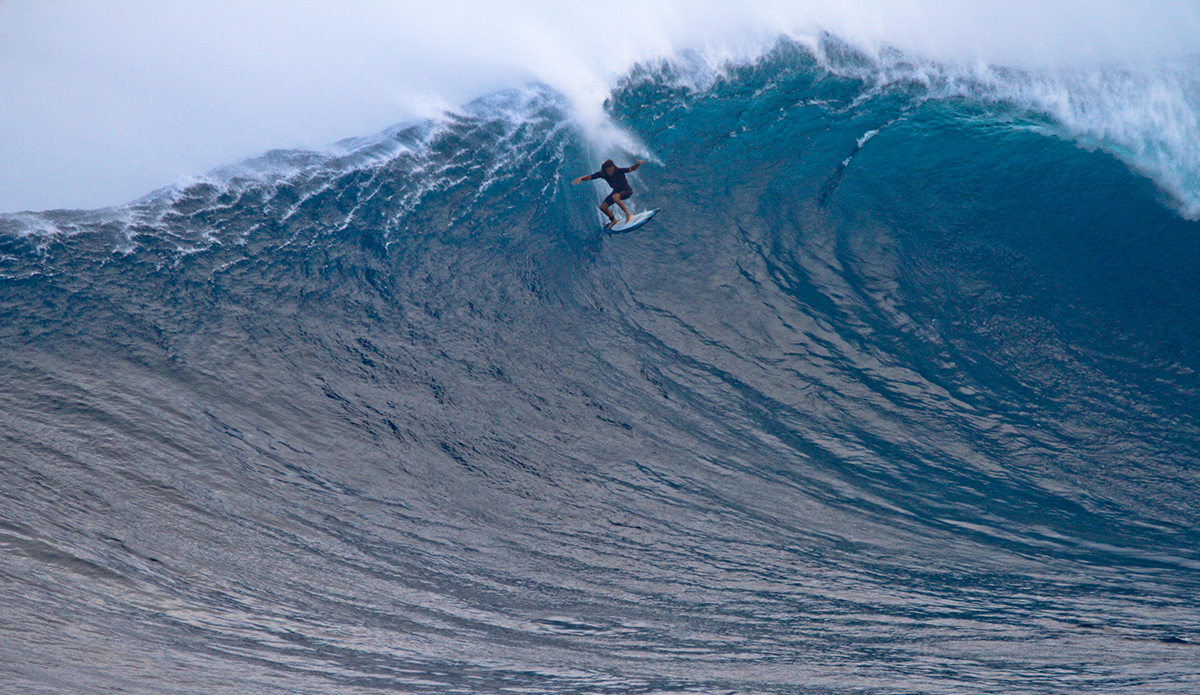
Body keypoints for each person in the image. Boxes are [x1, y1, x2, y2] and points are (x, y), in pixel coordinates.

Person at [572, 159, 645, 228]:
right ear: (605, 170)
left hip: (627, 191)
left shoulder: (619, 171)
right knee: (603, 207)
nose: (610, 172)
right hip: (616, 192)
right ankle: (613, 219)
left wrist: (637, 164)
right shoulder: (603, 174)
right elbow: (590, 177)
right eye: (608, 170)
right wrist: (581, 178)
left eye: (611, 170)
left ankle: (628, 215)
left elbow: (631, 168)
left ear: (613, 168)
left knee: (615, 197)